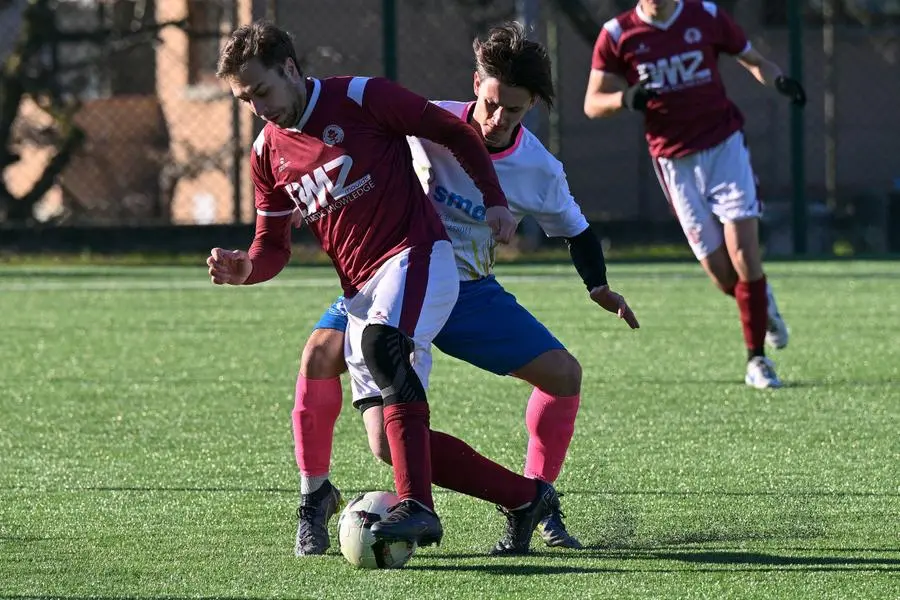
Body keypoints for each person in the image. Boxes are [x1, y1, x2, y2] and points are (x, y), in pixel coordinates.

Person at [208, 20, 561, 551]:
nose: (257, 107)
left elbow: (454, 131)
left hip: (417, 255)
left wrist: (492, 198)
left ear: (289, 69)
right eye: (244, 99)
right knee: (383, 443)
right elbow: (272, 248)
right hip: (360, 290)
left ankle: (417, 506)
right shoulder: (265, 153)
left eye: (261, 91)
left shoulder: (360, 96)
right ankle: (524, 497)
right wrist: (246, 268)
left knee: (383, 344)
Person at [291, 22, 639, 557]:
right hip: (391, 275)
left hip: (468, 292)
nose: (499, 120)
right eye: (493, 103)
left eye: (515, 111)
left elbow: (577, 230)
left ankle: (537, 497)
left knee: (564, 375)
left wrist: (598, 285)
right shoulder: (426, 121)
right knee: (322, 358)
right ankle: (315, 495)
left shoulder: (539, 168)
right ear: (476, 83)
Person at [583, 0, 805, 389]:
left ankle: (757, 360)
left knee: (745, 255)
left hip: (724, 147)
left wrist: (778, 79)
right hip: (675, 163)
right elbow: (592, 103)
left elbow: (753, 59)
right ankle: (761, 301)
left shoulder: (704, 15)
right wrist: (625, 98)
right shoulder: (617, 34)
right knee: (724, 277)